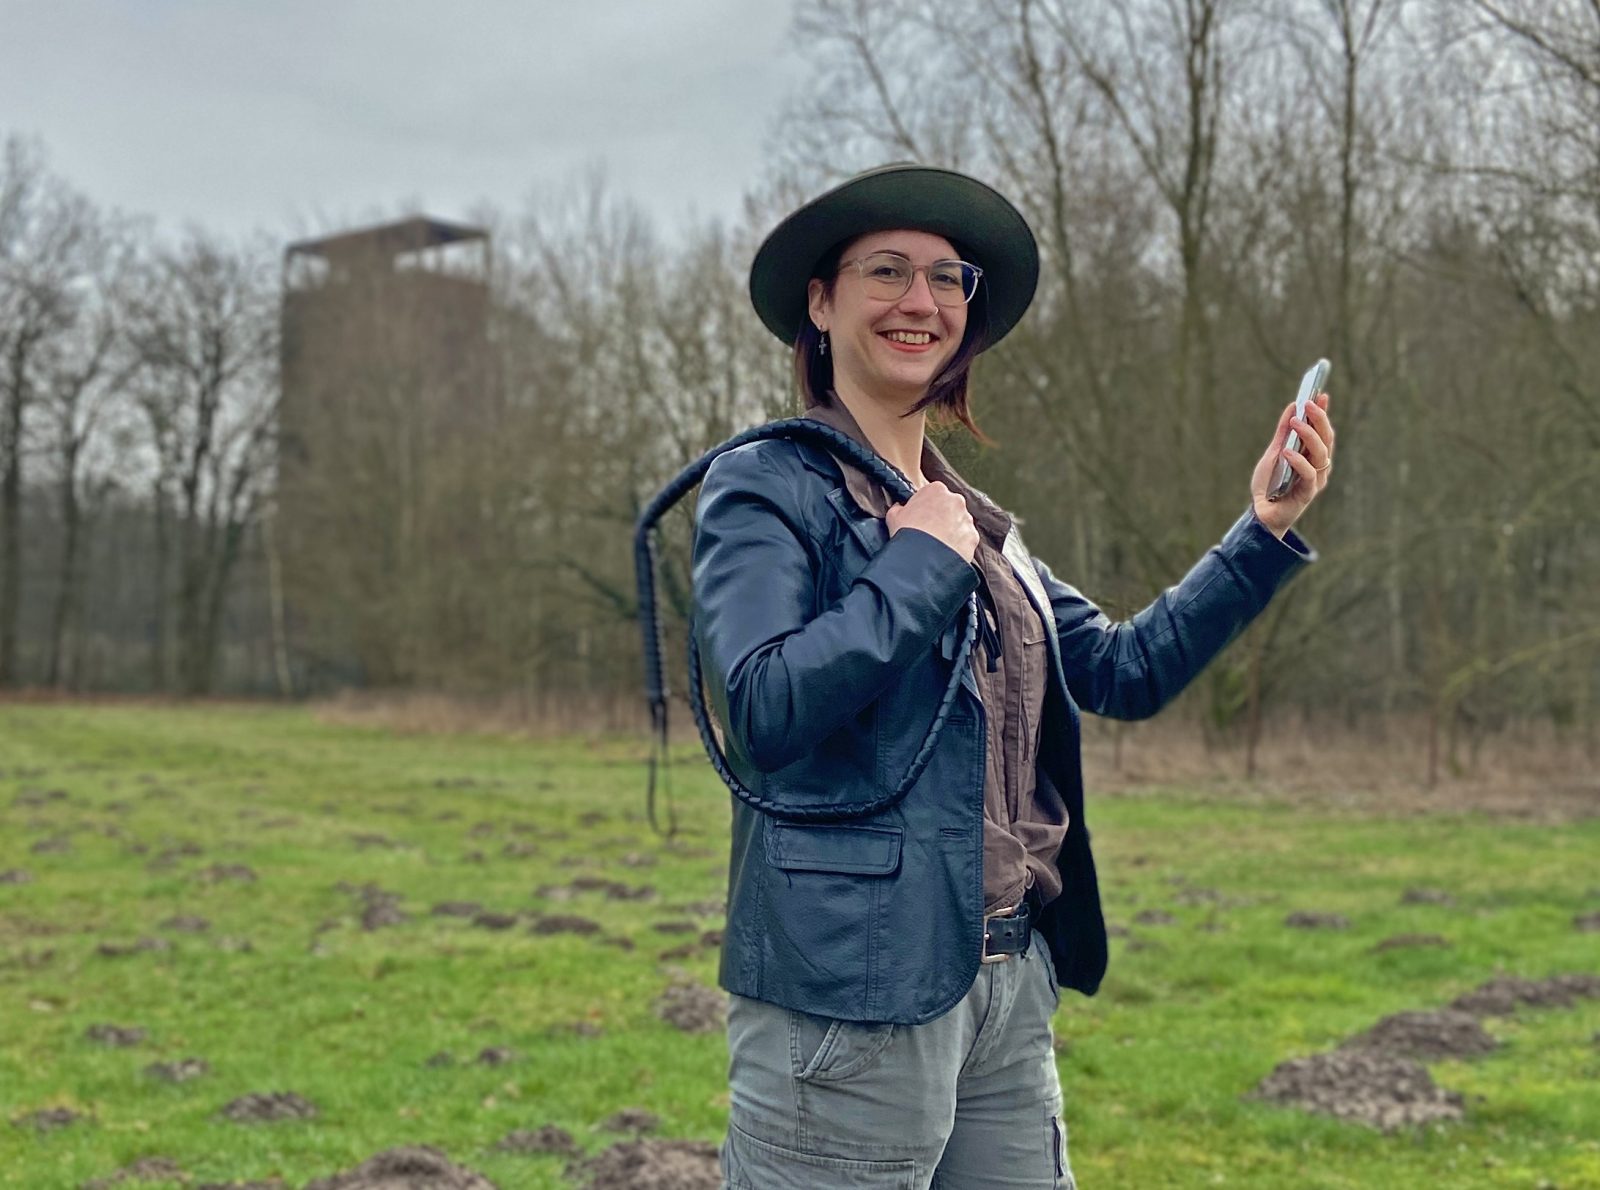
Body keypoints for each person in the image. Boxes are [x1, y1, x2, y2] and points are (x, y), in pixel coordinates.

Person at [691, 162, 1333, 1189]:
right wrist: (918, 565)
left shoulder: (974, 520)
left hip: (1004, 981)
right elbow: (763, 704)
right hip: (847, 1000)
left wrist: (1262, 529)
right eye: (887, 270)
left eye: (948, 278)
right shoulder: (766, 483)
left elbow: (1124, 668)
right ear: (820, 301)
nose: (921, 300)